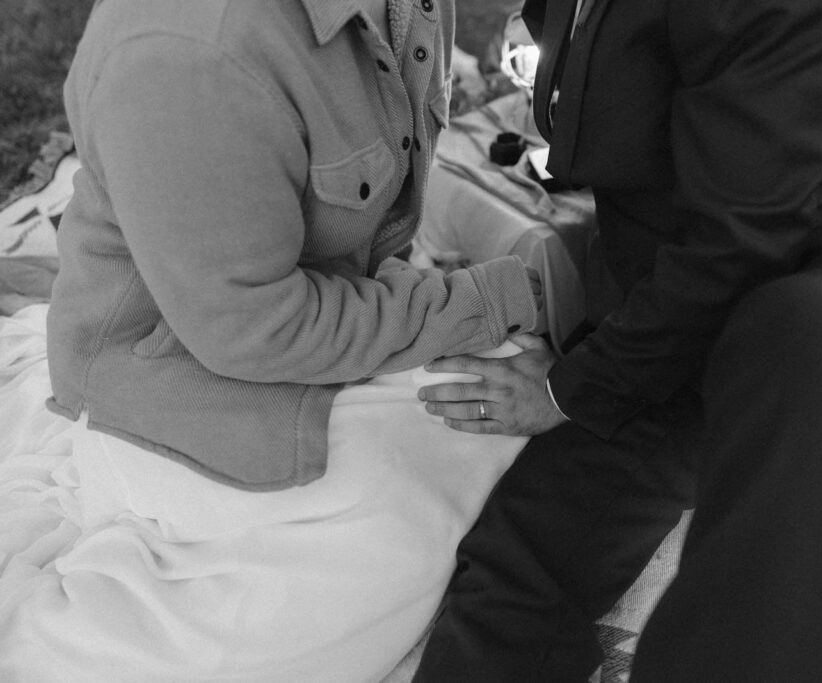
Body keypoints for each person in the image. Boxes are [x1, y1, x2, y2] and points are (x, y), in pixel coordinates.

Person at [413, 0, 822, 680]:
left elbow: (742, 239)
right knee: (520, 567)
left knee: (807, 342)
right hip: (673, 303)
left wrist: (569, 388)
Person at [34, 0, 542, 679]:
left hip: (308, 326)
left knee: (507, 422)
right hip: (170, 391)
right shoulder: (190, 50)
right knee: (402, 538)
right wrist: (496, 298)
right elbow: (256, 327)